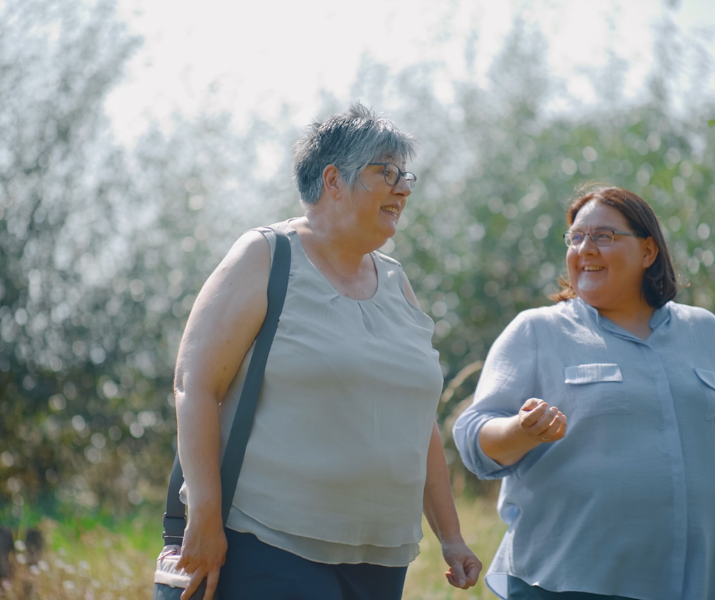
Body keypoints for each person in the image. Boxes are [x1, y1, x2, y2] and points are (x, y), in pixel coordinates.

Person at [171, 103, 482, 600]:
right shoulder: (266, 255)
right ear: (334, 179)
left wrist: (451, 536)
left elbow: (416, 422)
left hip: (381, 556)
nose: (403, 188)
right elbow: (195, 386)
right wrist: (205, 516)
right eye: (387, 173)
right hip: (269, 544)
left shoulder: (398, 281)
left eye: (406, 176)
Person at [453, 186, 715, 600]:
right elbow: (473, 439)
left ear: (648, 252)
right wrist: (522, 431)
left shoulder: (707, 333)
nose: (585, 248)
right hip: (570, 585)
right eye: (576, 237)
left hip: (710, 587)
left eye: (603, 237)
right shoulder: (537, 331)